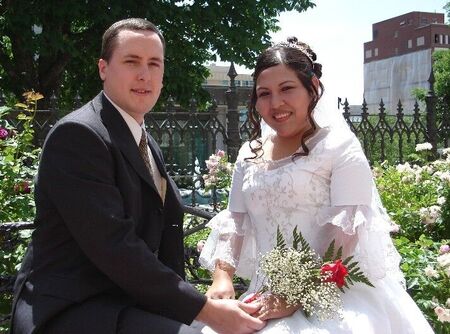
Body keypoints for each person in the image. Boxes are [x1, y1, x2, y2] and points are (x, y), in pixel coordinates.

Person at [10, 18, 266, 334]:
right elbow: (115, 247)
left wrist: (193, 307)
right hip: (75, 311)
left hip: (129, 304)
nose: (144, 74)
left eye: (154, 64)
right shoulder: (78, 135)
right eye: (131, 61)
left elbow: (164, 229)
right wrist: (205, 311)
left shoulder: (143, 140)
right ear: (103, 68)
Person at [199, 37, 434, 333]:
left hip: (332, 297)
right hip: (262, 297)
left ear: (313, 88)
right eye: (264, 93)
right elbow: (235, 220)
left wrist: (294, 294)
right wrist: (222, 277)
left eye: (287, 89)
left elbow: (346, 233)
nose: (276, 103)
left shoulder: (339, 147)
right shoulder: (249, 152)